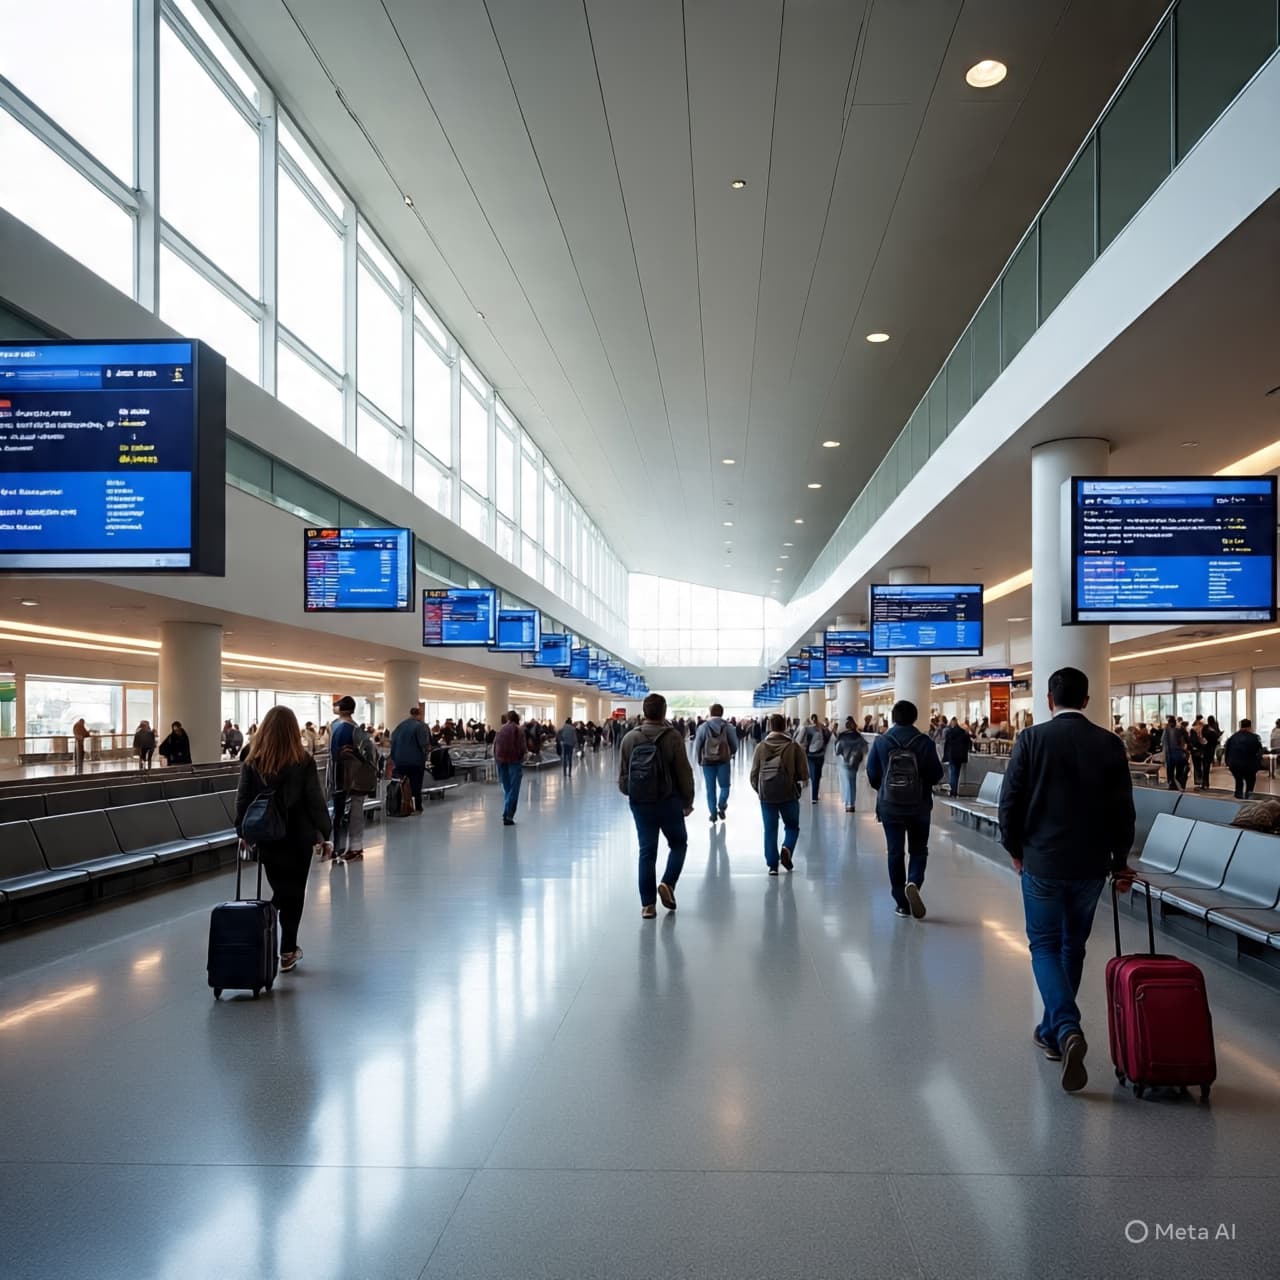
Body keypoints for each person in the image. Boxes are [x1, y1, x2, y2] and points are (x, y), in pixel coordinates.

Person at [997, 667, 1135, 1093]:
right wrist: (1120, 861)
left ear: (1048, 700)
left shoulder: (1031, 740)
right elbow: (1123, 810)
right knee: (1073, 944)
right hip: (1091, 865)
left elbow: (1010, 803)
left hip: (1042, 862)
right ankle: (1053, 1032)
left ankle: (1067, 1025)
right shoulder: (1110, 744)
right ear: (1088, 700)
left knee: (1043, 944)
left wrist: (1015, 850)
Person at [235, 705, 333, 974]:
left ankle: (268, 921)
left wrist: (243, 833)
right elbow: (315, 800)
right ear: (292, 730)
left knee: (280, 887)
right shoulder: (302, 760)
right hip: (298, 837)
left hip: (267, 836)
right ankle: (287, 949)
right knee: (293, 892)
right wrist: (324, 833)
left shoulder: (252, 759)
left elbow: (243, 799)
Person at [865, 700, 944, 920]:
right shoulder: (924, 742)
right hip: (919, 806)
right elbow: (937, 774)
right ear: (915, 717)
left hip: (890, 807)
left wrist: (884, 790)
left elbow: (871, 774)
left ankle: (901, 902)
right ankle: (914, 882)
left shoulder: (881, 742)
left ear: (893, 717)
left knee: (895, 852)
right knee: (919, 849)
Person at [619, 693, 694, 918]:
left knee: (647, 851)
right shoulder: (672, 737)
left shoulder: (629, 738)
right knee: (679, 843)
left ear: (644, 712)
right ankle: (668, 883)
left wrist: (634, 793)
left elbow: (623, 778)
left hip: (641, 803)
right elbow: (684, 773)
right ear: (663, 712)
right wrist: (687, 801)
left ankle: (648, 906)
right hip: (669, 801)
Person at [750, 713, 808, 873]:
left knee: (770, 829)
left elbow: (754, 774)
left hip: (767, 795)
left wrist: (760, 790)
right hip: (789, 793)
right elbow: (803, 773)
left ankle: (772, 865)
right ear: (785, 726)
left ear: (770, 726)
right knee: (792, 826)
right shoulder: (794, 746)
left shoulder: (761, 746)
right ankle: (787, 848)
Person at [326, 695, 375, 861]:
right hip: (358, 776)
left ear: (341, 709)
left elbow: (334, 755)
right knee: (356, 810)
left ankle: (338, 848)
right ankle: (355, 847)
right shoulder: (356, 729)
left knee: (340, 813)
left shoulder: (339, 728)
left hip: (342, 777)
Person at [694, 702, 738, 823]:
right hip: (723, 761)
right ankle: (722, 805)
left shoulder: (703, 727)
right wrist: (731, 753)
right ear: (722, 713)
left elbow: (697, 746)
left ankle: (713, 814)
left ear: (710, 713)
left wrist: (698, 759)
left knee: (710, 789)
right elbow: (734, 744)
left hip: (707, 762)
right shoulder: (728, 727)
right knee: (725, 786)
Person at [390, 705, 432, 813]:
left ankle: (401, 806)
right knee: (415, 784)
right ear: (419, 715)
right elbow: (424, 744)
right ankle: (416, 807)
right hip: (415, 761)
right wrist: (427, 752)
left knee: (402, 784)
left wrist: (394, 758)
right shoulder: (420, 726)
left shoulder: (400, 726)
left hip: (399, 761)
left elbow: (392, 741)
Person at [494, 711, 526, 825]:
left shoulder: (501, 729)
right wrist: (522, 757)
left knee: (507, 789)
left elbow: (495, 745)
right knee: (514, 789)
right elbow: (522, 747)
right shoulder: (518, 730)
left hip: (501, 761)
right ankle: (508, 816)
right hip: (514, 761)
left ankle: (505, 812)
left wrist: (497, 761)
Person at [833, 716, 867, 812]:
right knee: (852, 782)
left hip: (845, 761)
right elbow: (865, 748)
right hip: (855, 762)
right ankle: (851, 803)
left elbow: (837, 750)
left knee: (846, 781)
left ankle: (848, 802)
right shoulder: (859, 736)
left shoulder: (842, 736)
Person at [1224, 718, 1263, 800]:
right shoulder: (1254, 737)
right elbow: (1259, 752)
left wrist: (1228, 763)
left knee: (1239, 781)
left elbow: (1227, 750)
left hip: (1234, 765)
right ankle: (1248, 798)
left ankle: (1238, 798)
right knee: (1250, 782)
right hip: (1249, 765)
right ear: (1250, 726)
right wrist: (1258, 765)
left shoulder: (1232, 737)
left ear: (1240, 726)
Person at [799, 713, 828, 803]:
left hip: (817, 755)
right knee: (815, 775)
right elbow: (799, 740)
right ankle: (814, 796)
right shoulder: (809, 729)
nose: (814, 721)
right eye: (813, 719)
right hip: (814, 755)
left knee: (817, 775)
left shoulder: (820, 728)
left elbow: (827, 738)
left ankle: (815, 795)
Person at [941, 716, 971, 798]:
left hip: (952, 755)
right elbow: (968, 743)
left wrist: (945, 756)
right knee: (957, 774)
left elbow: (947, 745)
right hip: (960, 756)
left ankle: (953, 791)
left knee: (953, 773)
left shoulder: (950, 732)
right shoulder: (963, 732)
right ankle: (955, 790)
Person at [1161, 715, 1189, 791]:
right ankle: (1177, 784)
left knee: (1171, 770)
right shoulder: (1179, 729)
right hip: (1177, 753)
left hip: (1170, 753)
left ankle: (1172, 784)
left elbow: (1162, 741)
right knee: (1178, 770)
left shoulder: (1166, 730)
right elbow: (1187, 738)